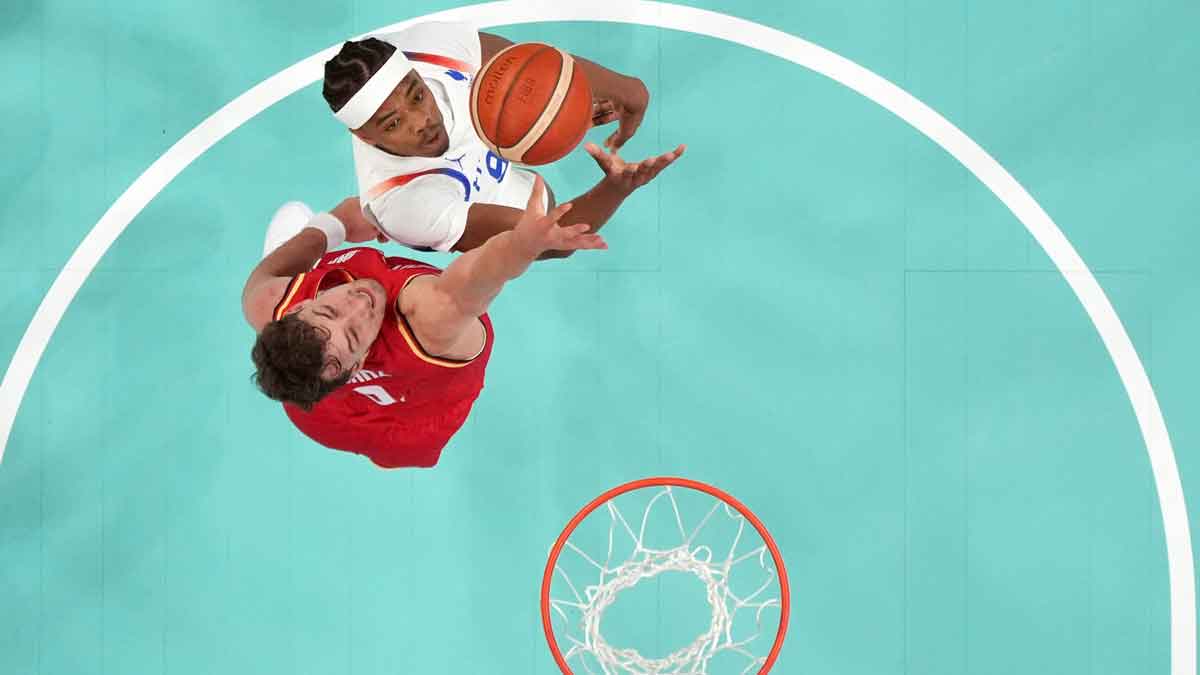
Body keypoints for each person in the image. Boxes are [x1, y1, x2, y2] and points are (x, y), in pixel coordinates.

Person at [243, 143, 681, 468]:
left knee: (290, 298)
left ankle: (320, 366)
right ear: (356, 365)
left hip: (320, 412)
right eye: (357, 334)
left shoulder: (265, 301)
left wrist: (335, 223)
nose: (359, 304)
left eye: (329, 310)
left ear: (296, 310)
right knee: (400, 453)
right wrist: (523, 245)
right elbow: (478, 276)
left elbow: (270, 271)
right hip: (410, 419)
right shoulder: (429, 317)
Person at [322, 21, 677, 256]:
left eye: (417, 96)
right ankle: (337, 224)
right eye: (394, 123)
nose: (423, 121)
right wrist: (616, 187)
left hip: (464, 157)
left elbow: (534, 66)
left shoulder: (431, 47)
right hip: (441, 195)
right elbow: (552, 241)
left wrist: (628, 91)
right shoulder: (405, 203)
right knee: (534, 206)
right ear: (363, 137)